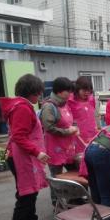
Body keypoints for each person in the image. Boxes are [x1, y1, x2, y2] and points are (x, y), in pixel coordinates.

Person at [0, 74, 51, 220]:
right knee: (25, 196)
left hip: (23, 155)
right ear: (32, 92)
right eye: (38, 93)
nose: (39, 97)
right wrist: (38, 152)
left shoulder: (21, 106)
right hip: (21, 157)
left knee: (30, 191)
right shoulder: (22, 108)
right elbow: (19, 136)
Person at [40, 77, 78, 205]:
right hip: (55, 149)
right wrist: (68, 132)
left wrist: (75, 127)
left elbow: (71, 120)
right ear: (60, 91)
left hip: (68, 147)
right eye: (69, 91)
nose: (71, 94)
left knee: (74, 173)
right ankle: (57, 204)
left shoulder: (65, 104)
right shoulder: (49, 106)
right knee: (56, 177)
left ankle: (74, 198)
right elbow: (49, 128)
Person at [68, 76, 99, 154]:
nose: (87, 93)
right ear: (77, 89)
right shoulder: (70, 101)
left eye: (89, 90)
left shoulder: (91, 99)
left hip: (92, 133)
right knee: (79, 158)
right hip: (78, 135)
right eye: (84, 90)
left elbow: (94, 115)